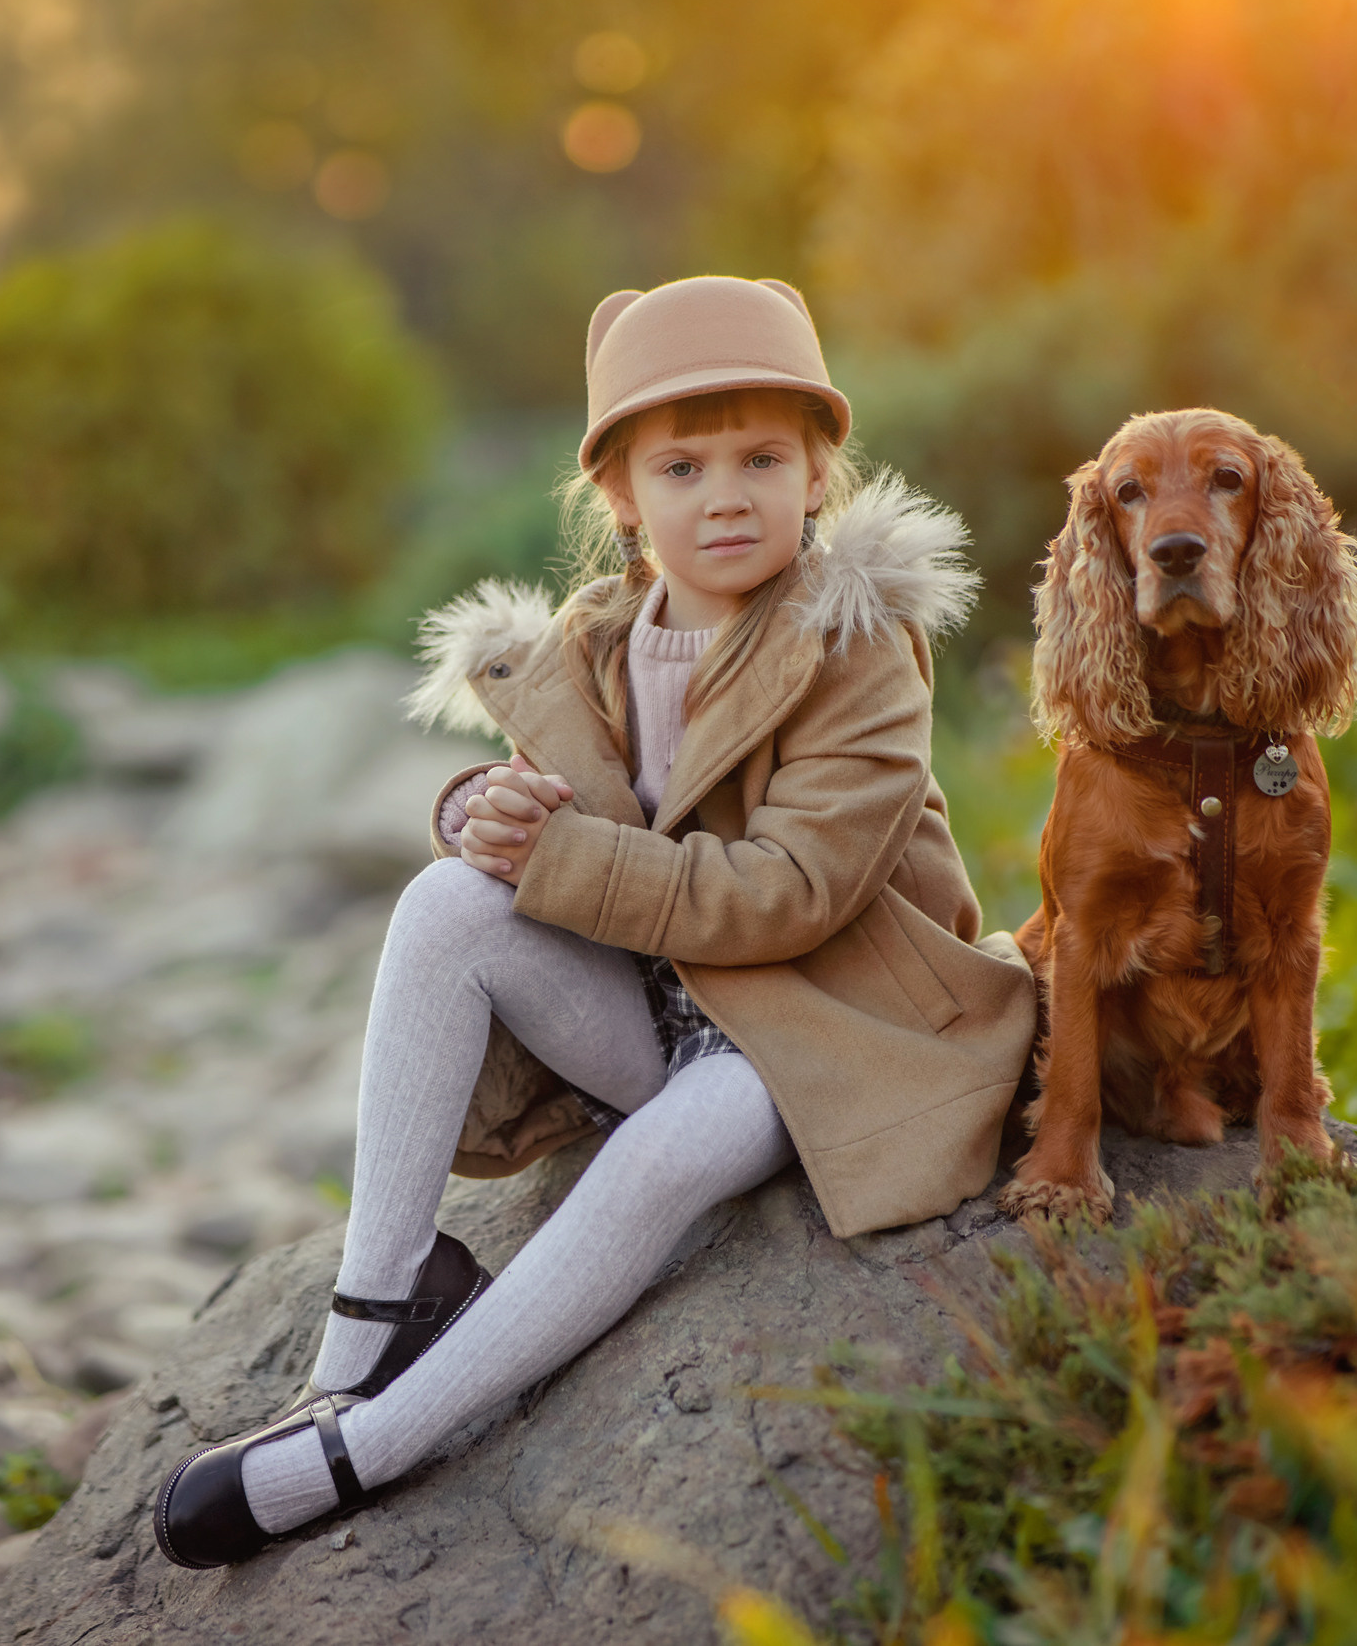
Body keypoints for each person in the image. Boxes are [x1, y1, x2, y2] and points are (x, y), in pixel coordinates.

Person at [151, 275, 1039, 1569]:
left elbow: (795, 890)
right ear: (621, 494)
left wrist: (565, 858)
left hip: (825, 1034)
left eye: (762, 458)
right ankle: (364, 1335)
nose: (726, 493)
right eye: (682, 465)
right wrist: (488, 817)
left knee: (680, 1143)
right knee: (445, 901)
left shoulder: (858, 644)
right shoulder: (602, 638)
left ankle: (377, 1446)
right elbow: (563, 833)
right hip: (670, 1012)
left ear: (817, 472)